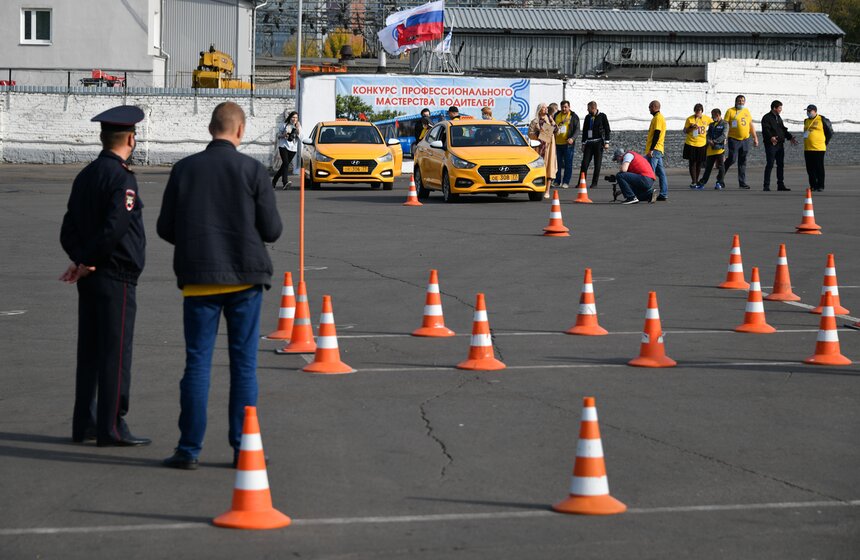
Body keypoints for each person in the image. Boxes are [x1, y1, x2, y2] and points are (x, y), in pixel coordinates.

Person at [158, 102, 283, 470]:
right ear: (240, 130)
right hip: (246, 278)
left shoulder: (184, 169)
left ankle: (188, 449)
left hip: (199, 278)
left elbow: (165, 228)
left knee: (197, 363)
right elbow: (272, 230)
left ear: (211, 127)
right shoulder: (253, 170)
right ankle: (244, 448)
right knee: (244, 367)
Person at [59, 105, 151, 447]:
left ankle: (85, 421)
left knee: (90, 353)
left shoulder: (86, 175)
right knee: (115, 353)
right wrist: (90, 259)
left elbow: (68, 229)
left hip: (91, 275)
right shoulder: (121, 178)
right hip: (116, 275)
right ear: (130, 138)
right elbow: (116, 227)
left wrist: (81, 260)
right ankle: (112, 426)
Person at [723, 94, 759, 189]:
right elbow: (725, 125)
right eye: (739, 101)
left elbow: (751, 125)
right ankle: (720, 177)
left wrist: (755, 137)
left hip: (745, 139)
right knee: (732, 159)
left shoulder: (746, 111)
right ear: (736, 101)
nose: (741, 102)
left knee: (742, 161)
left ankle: (742, 183)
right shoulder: (730, 111)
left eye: (743, 101)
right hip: (734, 139)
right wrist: (724, 138)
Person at [760, 100, 797, 192]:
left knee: (780, 165)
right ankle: (766, 185)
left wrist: (790, 137)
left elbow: (783, 130)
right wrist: (771, 138)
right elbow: (766, 130)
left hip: (780, 145)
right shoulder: (766, 118)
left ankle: (780, 185)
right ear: (774, 108)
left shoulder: (778, 117)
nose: (781, 110)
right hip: (771, 145)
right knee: (770, 164)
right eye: (779, 108)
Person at [528, 103, 557, 199]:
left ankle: (547, 190)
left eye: (546, 107)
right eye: (543, 107)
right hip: (539, 147)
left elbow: (557, 131)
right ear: (539, 109)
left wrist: (552, 123)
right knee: (540, 167)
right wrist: (539, 132)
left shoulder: (550, 119)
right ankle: (539, 189)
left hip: (549, 148)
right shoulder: (534, 122)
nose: (545, 109)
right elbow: (530, 134)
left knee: (549, 168)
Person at [580, 101, 611, 189]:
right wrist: (583, 143)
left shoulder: (602, 116)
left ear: (593, 108)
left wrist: (607, 142)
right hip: (589, 143)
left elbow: (607, 129)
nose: (587, 110)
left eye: (588, 108)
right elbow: (585, 131)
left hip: (598, 143)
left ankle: (594, 183)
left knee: (597, 164)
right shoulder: (587, 117)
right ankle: (581, 181)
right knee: (584, 164)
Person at [696, 108, 729, 190]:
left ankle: (719, 183)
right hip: (710, 150)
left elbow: (724, 135)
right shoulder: (711, 124)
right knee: (708, 168)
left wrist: (714, 141)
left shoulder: (725, 124)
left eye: (713, 115)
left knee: (721, 167)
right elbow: (708, 135)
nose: (711, 116)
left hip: (719, 149)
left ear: (717, 115)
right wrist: (709, 141)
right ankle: (702, 183)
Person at [803, 104, 832, 192]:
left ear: (815, 111)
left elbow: (829, 132)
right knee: (810, 168)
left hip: (819, 148)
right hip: (808, 148)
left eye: (810, 111)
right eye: (807, 111)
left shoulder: (822, 119)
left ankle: (820, 185)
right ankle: (813, 185)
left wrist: (825, 142)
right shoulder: (806, 120)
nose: (808, 113)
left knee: (819, 167)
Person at [682, 104, 711, 189]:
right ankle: (694, 181)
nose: (698, 113)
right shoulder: (690, 119)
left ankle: (696, 180)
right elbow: (685, 131)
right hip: (691, 143)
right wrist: (691, 127)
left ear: (702, 111)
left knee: (699, 163)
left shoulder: (706, 118)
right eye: (696, 111)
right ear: (694, 111)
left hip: (701, 144)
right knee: (692, 162)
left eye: (700, 111)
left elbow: (713, 124)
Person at [553, 100, 580, 188]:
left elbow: (577, 129)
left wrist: (572, 138)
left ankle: (566, 182)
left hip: (568, 144)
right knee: (558, 164)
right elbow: (552, 126)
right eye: (562, 107)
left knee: (568, 164)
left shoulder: (573, 116)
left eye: (565, 107)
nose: (564, 109)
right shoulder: (556, 115)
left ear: (569, 107)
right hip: (557, 143)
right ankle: (557, 181)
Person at [645, 100, 668, 201]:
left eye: (650, 107)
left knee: (650, 172)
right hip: (658, 149)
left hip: (655, 149)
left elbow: (657, 134)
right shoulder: (658, 117)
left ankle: (649, 193)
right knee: (661, 173)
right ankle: (663, 193)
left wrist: (651, 149)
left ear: (654, 107)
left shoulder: (658, 118)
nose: (649, 109)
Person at [272, 110, 301, 190]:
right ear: (290, 117)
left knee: (284, 166)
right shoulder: (284, 125)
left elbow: (301, 137)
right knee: (285, 163)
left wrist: (298, 130)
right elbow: (277, 135)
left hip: (293, 149)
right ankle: (285, 182)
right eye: (293, 117)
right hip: (283, 146)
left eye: (296, 117)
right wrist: (283, 135)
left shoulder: (298, 126)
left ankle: (274, 180)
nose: (294, 119)